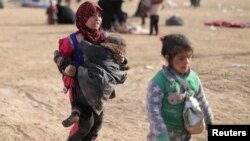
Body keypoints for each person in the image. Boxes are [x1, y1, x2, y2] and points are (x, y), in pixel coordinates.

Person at [53, 1, 127, 141]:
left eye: (99, 15)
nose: (97, 18)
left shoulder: (106, 37)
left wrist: (122, 59)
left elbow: (118, 55)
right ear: (82, 17)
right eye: (92, 15)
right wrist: (68, 69)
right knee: (84, 124)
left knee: (97, 124)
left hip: (100, 87)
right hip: (79, 87)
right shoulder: (72, 40)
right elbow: (61, 60)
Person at [146, 34, 214, 141]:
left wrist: (210, 122)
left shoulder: (194, 79)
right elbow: (153, 111)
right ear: (168, 58)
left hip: (185, 134)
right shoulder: (159, 82)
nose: (186, 61)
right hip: (162, 135)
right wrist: (162, 135)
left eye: (189, 57)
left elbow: (202, 101)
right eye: (181, 58)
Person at [61, 34, 129, 126]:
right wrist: (123, 61)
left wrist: (81, 41)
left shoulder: (101, 50)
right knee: (96, 121)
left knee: (77, 89)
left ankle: (75, 112)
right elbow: (123, 77)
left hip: (90, 80)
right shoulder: (117, 63)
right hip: (104, 92)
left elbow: (87, 48)